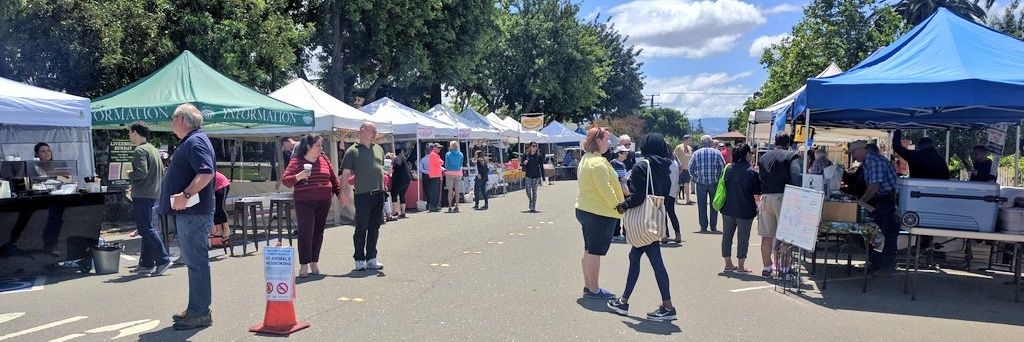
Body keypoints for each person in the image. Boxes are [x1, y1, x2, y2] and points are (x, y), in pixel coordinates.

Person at [607, 133, 677, 321]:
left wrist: (623, 206)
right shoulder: (666, 167)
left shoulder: (641, 166)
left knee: (653, 262)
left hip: (642, 222)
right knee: (638, 258)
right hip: (654, 219)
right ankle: (624, 301)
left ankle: (667, 306)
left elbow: (637, 197)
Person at [161, 103, 216, 330]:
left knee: (196, 263)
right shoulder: (193, 140)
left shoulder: (195, 141)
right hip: (191, 212)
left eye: (173, 118)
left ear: (182, 120)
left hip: (193, 212)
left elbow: (206, 173)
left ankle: (199, 312)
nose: (171, 122)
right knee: (195, 262)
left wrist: (185, 195)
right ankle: (196, 308)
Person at [282, 134, 340, 277]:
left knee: (318, 232)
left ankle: (314, 262)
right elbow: (285, 180)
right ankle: (304, 265)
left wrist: (340, 194)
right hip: (304, 201)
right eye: (318, 146)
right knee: (305, 232)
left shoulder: (324, 159)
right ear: (308, 147)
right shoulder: (297, 161)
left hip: (324, 201)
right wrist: (298, 176)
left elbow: (333, 178)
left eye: (321, 146)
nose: (321, 148)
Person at [575, 127, 623, 300]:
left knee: (589, 250)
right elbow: (606, 189)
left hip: (586, 208)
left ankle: (589, 286)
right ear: (598, 141)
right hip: (599, 212)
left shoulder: (586, 159)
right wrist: (619, 206)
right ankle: (594, 288)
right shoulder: (598, 162)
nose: (608, 142)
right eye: (606, 139)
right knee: (595, 251)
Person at [340, 122, 387, 272]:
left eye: (375, 131)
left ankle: (372, 258)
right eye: (372, 130)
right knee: (361, 227)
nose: (375, 133)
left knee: (375, 227)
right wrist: (342, 192)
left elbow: (382, 170)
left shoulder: (379, 149)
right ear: (362, 131)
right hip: (362, 194)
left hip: (379, 192)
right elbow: (345, 174)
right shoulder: (352, 151)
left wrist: (385, 178)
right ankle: (359, 258)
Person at [849, 140, 900, 275]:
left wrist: (861, 202)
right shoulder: (868, 162)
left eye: (853, 153)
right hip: (882, 199)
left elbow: (873, 187)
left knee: (886, 234)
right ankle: (876, 263)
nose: (853, 156)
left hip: (887, 199)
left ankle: (886, 267)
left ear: (861, 150)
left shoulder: (874, 161)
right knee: (877, 232)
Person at [127, 122, 171, 276]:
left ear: (135, 133)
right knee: (146, 228)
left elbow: (141, 173)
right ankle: (146, 263)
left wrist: (128, 174)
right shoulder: (152, 149)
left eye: (129, 133)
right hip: (154, 193)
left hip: (143, 193)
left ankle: (163, 259)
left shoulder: (140, 150)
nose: (129, 136)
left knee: (146, 228)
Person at [756, 132, 802, 277]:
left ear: (775, 142)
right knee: (785, 236)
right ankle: (783, 268)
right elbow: (797, 176)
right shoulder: (791, 156)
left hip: (766, 197)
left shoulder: (763, 157)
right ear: (788, 143)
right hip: (784, 197)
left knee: (766, 236)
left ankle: (767, 267)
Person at [720, 144, 761, 273]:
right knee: (743, 238)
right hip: (745, 209)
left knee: (727, 236)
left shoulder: (729, 168)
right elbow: (758, 190)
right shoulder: (751, 172)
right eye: (751, 153)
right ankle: (741, 266)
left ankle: (728, 264)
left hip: (728, 207)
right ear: (747, 154)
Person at [689, 135, 725, 233]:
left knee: (702, 205)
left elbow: (690, 168)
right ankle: (713, 226)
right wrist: (718, 177)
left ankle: (703, 226)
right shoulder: (717, 153)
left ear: (701, 143)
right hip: (714, 182)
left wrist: (696, 178)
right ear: (711, 143)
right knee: (714, 205)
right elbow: (723, 167)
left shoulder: (696, 153)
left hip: (701, 183)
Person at [609, 146, 630, 243]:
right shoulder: (613, 163)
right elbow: (611, 177)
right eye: (624, 153)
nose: (626, 154)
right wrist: (621, 180)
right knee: (617, 212)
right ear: (619, 154)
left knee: (622, 211)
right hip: (617, 191)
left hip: (622, 191)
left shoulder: (623, 164)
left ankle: (619, 233)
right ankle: (615, 234)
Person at [664, 150, 682, 243]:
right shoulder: (674, 160)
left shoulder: (664, 161)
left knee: (663, 213)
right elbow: (680, 169)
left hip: (663, 190)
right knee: (671, 213)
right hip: (672, 190)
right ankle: (677, 233)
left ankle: (665, 234)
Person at [521, 141, 544, 213]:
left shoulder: (539, 155)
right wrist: (524, 163)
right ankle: (530, 200)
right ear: (530, 147)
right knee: (527, 190)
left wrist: (542, 176)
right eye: (533, 146)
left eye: (536, 146)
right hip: (528, 175)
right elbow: (522, 164)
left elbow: (541, 166)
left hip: (536, 176)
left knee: (534, 191)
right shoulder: (526, 155)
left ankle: (533, 206)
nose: (535, 148)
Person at [210, 171, 231, 247]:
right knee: (214, 209)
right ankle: (219, 230)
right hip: (213, 187)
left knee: (220, 207)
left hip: (222, 184)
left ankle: (227, 229)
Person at [390, 148, 413, 218]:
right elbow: (408, 168)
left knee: (393, 193)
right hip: (407, 179)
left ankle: (395, 211)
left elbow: (398, 164)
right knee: (402, 195)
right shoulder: (403, 158)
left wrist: (393, 165)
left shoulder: (398, 158)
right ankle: (403, 212)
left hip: (401, 179)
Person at [444, 141, 465, 213]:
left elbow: (446, 164)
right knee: (457, 191)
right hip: (458, 172)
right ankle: (457, 206)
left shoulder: (447, 154)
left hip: (449, 172)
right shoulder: (461, 154)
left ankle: (450, 207)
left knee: (450, 191)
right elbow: (461, 164)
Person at [673, 135, 694, 205]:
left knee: (687, 184)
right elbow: (674, 156)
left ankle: (688, 200)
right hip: (680, 169)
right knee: (678, 185)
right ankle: (675, 199)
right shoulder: (679, 147)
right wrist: (678, 165)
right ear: (685, 140)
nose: (691, 141)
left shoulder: (690, 148)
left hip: (687, 169)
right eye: (689, 140)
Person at [427, 143, 444, 212]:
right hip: (434, 175)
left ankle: (435, 205)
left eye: (440, 148)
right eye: (438, 148)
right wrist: (440, 161)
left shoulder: (436, 155)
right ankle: (432, 206)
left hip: (437, 174)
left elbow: (441, 162)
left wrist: (440, 161)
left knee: (436, 191)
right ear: (434, 147)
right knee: (434, 191)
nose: (439, 149)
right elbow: (439, 163)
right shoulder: (433, 154)